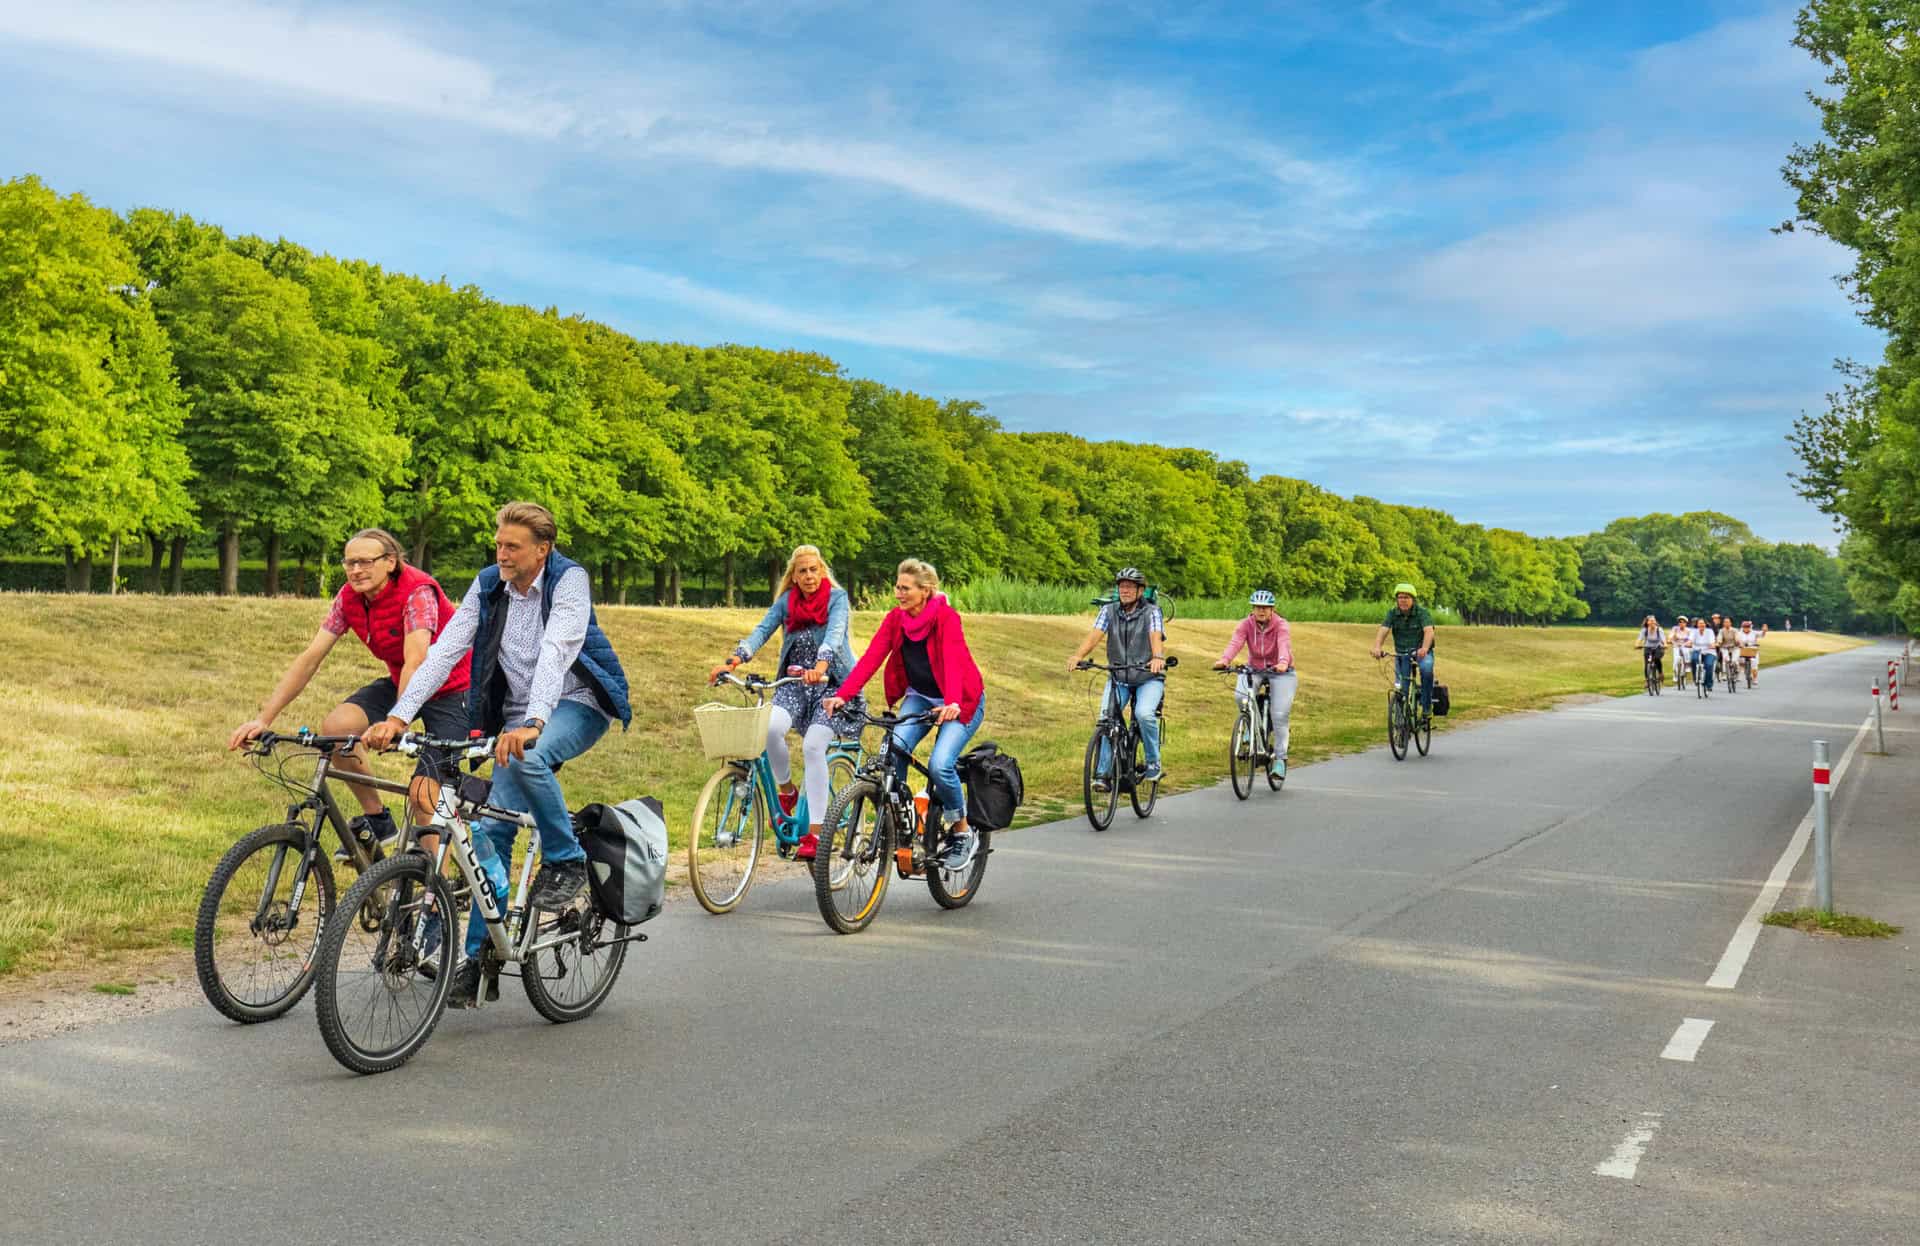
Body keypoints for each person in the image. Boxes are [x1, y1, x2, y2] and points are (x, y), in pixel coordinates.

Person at [364, 501, 631, 1008]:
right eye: (498, 543)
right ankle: (479, 959)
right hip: (515, 717)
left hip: (574, 705)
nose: (501, 553)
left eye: (513, 546)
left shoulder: (568, 580)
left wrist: (534, 724)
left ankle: (566, 859)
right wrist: (400, 715)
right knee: (491, 833)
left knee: (530, 759)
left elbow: (557, 649)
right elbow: (445, 651)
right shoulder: (489, 583)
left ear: (543, 549)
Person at [227, 528, 470, 857]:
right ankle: (378, 819)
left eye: (365, 562)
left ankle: (432, 891)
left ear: (390, 562)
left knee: (422, 794)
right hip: (402, 679)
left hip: (454, 689)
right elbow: (311, 658)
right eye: (349, 563)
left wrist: (397, 722)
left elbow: (418, 660)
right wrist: (263, 719)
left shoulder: (416, 591)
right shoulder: (349, 597)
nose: (356, 570)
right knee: (337, 729)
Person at [823, 559, 985, 870]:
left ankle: (962, 830)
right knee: (892, 752)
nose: (899, 593)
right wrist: (842, 694)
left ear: (925, 591)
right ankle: (903, 821)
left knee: (940, 765)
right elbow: (871, 658)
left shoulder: (946, 618)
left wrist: (952, 702)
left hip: (961, 699)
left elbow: (952, 660)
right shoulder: (896, 619)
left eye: (905, 588)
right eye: (897, 586)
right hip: (921, 697)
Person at [709, 544, 863, 861]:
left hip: (832, 686)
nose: (808, 576)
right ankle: (787, 791)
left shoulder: (837, 599)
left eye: (813, 570)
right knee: (768, 730)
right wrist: (734, 660)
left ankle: (816, 834)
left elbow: (834, 635)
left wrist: (821, 667)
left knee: (813, 747)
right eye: (802, 571)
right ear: (793, 575)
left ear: (822, 571)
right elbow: (762, 630)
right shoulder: (787, 602)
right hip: (794, 685)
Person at [1067, 568, 1168, 788]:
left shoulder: (1152, 612)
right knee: (1107, 718)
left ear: (1141, 590)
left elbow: (1155, 635)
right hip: (1119, 676)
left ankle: (1153, 762)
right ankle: (1103, 775)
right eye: (1122, 586)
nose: (1125, 590)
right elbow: (1095, 635)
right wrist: (1078, 655)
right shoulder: (1108, 610)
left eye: (1130, 586)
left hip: (1148, 676)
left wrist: (1158, 657)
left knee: (1143, 714)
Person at [1213, 590, 1296, 780]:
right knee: (1241, 696)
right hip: (1255, 669)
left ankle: (1280, 760)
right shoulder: (1245, 624)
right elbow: (1235, 643)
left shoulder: (1281, 625)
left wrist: (1283, 662)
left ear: (1272, 609)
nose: (1261, 611)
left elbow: (1284, 644)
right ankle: (1249, 730)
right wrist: (1224, 660)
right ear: (1253, 608)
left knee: (1280, 715)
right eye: (1258, 607)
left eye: (1265, 608)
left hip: (1281, 672)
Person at [1371, 582, 1435, 722]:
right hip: (1402, 654)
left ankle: (1426, 707)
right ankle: (1401, 723)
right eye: (1400, 597)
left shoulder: (1422, 613)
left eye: (1406, 597)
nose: (1403, 600)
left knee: (1426, 671)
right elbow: (1384, 630)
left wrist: (1424, 648)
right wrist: (1377, 647)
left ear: (1413, 599)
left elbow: (1429, 631)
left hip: (1422, 652)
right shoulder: (1393, 613)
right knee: (1401, 688)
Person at [1634, 614, 1665, 688]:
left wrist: (1665, 644)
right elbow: (1639, 639)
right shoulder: (1644, 630)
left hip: (1658, 647)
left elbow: (1663, 639)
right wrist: (1637, 644)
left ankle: (1660, 673)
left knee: (1657, 658)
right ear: (1647, 622)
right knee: (1646, 664)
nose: (1652, 622)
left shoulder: (1659, 629)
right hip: (1647, 647)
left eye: (1654, 620)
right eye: (1651, 621)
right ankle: (1647, 681)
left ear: (1655, 622)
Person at [1671, 616, 1692, 689]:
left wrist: (1689, 643)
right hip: (1676, 646)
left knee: (1687, 653)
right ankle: (1675, 675)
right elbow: (1670, 636)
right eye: (1680, 622)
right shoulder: (1675, 629)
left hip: (1685, 646)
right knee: (1676, 661)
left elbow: (1691, 639)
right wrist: (1671, 638)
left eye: (1683, 622)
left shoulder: (1689, 630)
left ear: (1686, 623)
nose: (1681, 623)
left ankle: (1687, 666)